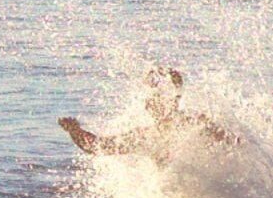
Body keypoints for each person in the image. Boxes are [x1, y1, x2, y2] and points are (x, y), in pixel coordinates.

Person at [59, 67, 234, 158]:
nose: (149, 104)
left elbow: (236, 147)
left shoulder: (196, 124)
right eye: (150, 99)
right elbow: (100, 147)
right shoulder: (147, 136)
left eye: (157, 97)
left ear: (175, 99)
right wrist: (74, 131)